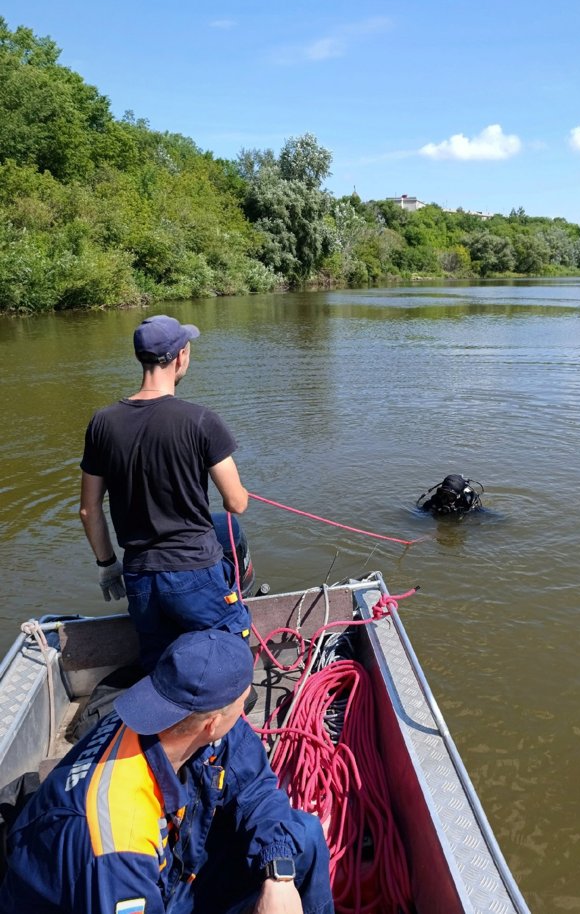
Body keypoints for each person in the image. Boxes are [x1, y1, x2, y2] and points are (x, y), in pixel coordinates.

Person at [0, 630, 334, 914]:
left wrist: (279, 875)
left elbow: (256, 787)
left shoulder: (167, 710)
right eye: (242, 701)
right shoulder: (119, 841)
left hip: (171, 870)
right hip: (110, 890)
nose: (245, 706)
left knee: (301, 834)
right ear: (213, 723)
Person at [79, 314, 252, 670]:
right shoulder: (201, 420)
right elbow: (236, 502)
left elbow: (89, 510)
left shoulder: (103, 422)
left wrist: (108, 566)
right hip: (195, 572)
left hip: (140, 575)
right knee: (228, 664)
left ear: (140, 358)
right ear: (181, 356)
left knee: (162, 672)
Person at [417, 473, 483, 516]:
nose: (444, 499)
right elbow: (420, 513)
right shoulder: (435, 500)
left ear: (458, 496)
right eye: (442, 493)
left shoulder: (467, 503)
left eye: (450, 496)